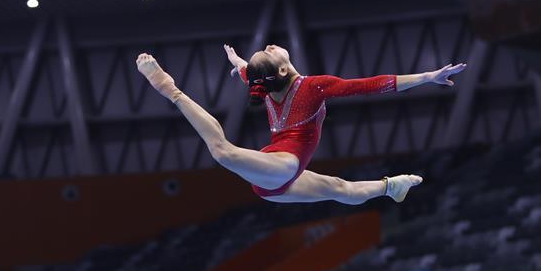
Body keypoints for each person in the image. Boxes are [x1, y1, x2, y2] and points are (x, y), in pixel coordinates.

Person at [134, 48, 463, 206]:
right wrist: (426, 78)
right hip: (281, 168)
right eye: (269, 52)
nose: (270, 48)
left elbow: (253, 71)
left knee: (340, 189)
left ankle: (392, 186)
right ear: (281, 70)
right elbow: (374, 84)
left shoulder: (260, 80)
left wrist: (238, 63)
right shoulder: (313, 87)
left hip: (277, 177)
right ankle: (169, 88)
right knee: (223, 151)